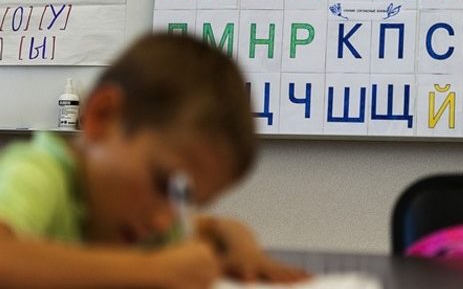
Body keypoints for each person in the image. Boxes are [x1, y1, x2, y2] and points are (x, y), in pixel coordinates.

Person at [0, 33, 308, 288]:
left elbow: (219, 227)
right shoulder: (36, 175)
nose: (164, 222)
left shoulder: (147, 218)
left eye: (187, 200)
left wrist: (246, 253)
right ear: (103, 116)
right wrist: (152, 269)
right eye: (164, 184)